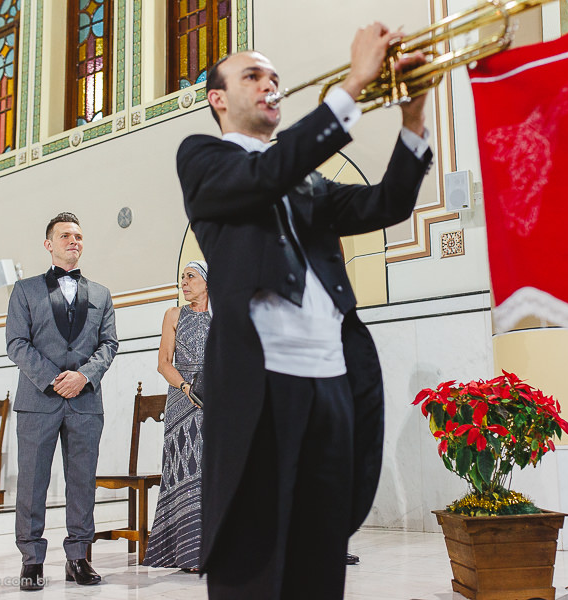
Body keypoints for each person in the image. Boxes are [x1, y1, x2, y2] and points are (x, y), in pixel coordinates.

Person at [176, 22, 432, 599]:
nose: (270, 84)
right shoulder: (204, 158)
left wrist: (413, 119)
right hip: (262, 382)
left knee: (321, 553)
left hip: (331, 379)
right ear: (218, 99)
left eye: (274, 77)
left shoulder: (303, 177)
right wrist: (354, 83)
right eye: (252, 75)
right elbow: (263, 175)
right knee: (256, 556)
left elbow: (385, 203)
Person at [6, 212, 118, 591]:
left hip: (86, 401)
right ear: (48, 244)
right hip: (39, 400)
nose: (74, 240)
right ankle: (32, 560)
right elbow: (16, 344)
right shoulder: (24, 290)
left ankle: (78, 558)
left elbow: (110, 344)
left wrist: (84, 376)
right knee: (33, 483)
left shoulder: (101, 294)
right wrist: (55, 379)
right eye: (65, 235)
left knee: (83, 482)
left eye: (79, 236)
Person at [143, 260, 211, 570]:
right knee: (185, 470)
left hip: (216, 399)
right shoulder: (173, 315)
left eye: (191, 277)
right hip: (182, 401)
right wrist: (186, 387)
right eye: (182, 277)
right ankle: (184, 552)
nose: (184, 282)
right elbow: (163, 363)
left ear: (208, 282)